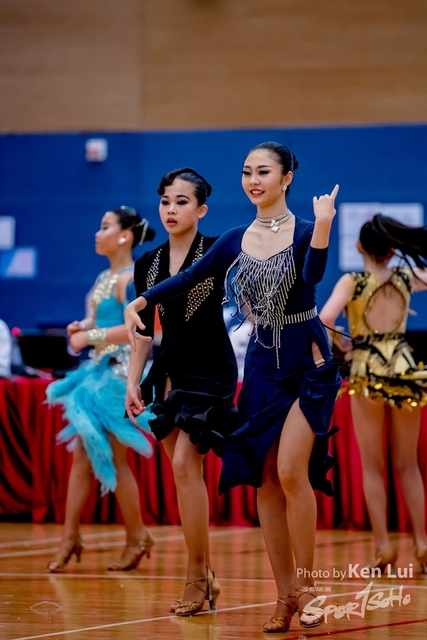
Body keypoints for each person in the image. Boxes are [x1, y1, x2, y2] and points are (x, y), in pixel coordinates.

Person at [125, 142, 340, 632]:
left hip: (306, 362)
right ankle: (285, 595)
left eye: (263, 172)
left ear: (286, 178)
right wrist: (142, 300)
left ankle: (309, 588)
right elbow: (191, 276)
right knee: (266, 479)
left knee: (291, 470)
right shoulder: (235, 239)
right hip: (262, 365)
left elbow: (312, 277)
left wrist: (325, 227)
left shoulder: (306, 231)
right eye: (246, 172)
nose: (253, 181)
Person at [125, 168, 237, 617]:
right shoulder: (146, 264)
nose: (171, 209)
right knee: (183, 473)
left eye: (182, 201)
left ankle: (195, 575)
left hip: (212, 370)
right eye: (165, 201)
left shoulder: (218, 251)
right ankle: (204, 572)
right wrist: (133, 380)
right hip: (168, 371)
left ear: (202, 209)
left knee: (187, 465)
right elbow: (142, 332)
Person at [46, 206, 156, 572]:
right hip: (96, 375)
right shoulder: (102, 277)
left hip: (119, 377)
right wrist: (82, 326)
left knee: (114, 458)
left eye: (105, 227)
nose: (97, 233)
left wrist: (88, 336)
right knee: (83, 455)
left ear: (125, 235)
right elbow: (97, 318)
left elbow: (136, 328)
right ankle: (71, 537)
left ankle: (134, 537)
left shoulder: (130, 278)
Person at [320, 214, 427, 574]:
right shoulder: (406, 277)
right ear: (393, 250)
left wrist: (342, 345)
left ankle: (383, 547)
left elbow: (325, 317)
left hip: (367, 369)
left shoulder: (352, 281)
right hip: (404, 367)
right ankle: (423, 544)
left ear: (358, 247)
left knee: (372, 466)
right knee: (408, 465)